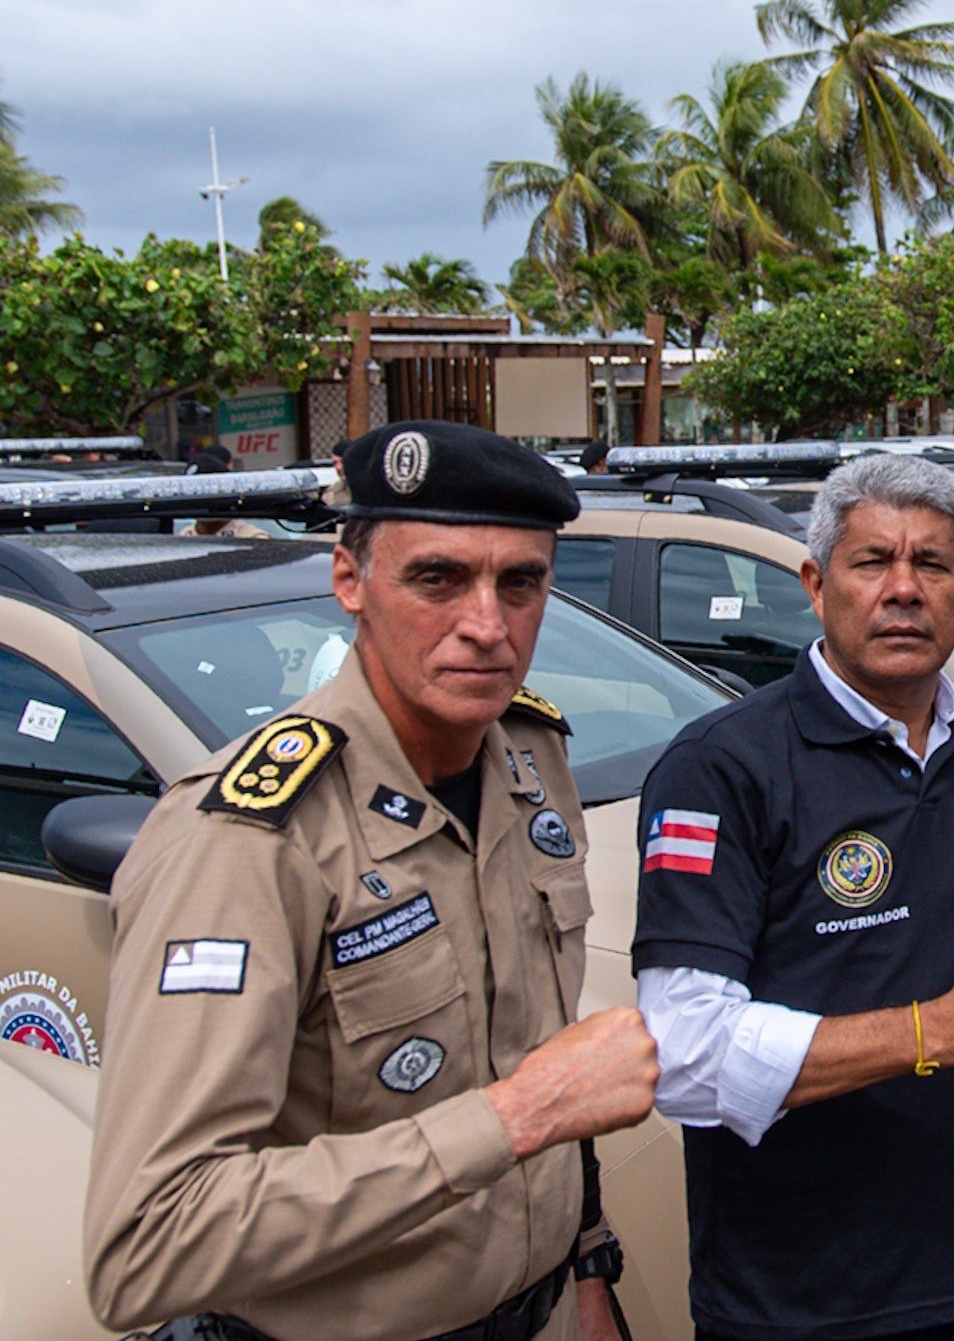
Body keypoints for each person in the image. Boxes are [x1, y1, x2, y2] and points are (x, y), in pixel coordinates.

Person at [84, 420, 658, 1341]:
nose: (487, 625)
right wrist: (511, 1118)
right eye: (437, 578)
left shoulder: (528, 758)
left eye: (521, 582)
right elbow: (149, 1243)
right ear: (349, 582)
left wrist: (587, 1262)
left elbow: (531, 1043)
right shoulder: (247, 839)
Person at [633, 453, 954, 1341]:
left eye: (931, 565)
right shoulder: (722, 767)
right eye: (873, 563)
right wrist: (935, 1031)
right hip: (790, 1297)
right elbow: (684, 1052)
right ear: (816, 584)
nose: (904, 590)